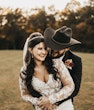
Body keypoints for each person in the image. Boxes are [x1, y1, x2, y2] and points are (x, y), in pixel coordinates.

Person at [19, 32, 75, 110]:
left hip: (64, 106)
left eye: (45, 49)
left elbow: (70, 86)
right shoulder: (25, 71)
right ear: (30, 50)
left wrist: (50, 100)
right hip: (42, 107)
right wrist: (39, 102)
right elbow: (24, 94)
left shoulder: (57, 64)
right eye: (40, 48)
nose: (44, 52)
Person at [44, 26, 82, 105]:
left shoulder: (76, 61)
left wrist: (54, 101)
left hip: (63, 103)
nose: (54, 50)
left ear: (67, 48)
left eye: (58, 48)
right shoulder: (44, 56)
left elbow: (75, 89)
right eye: (53, 45)